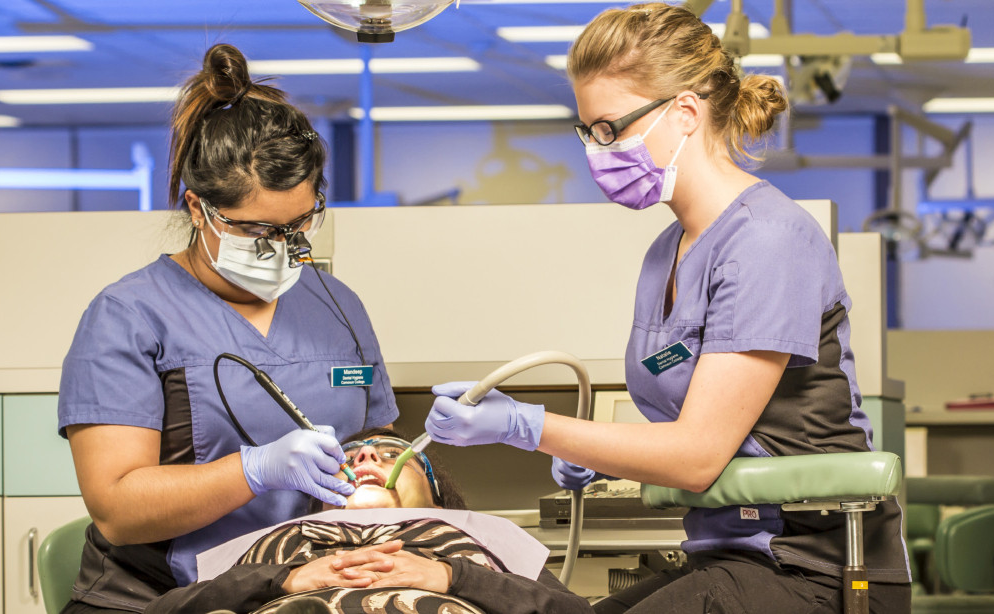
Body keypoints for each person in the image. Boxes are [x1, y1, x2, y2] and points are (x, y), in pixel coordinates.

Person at [423, 4, 911, 613]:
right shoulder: (666, 252)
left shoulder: (768, 239)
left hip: (811, 566)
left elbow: (699, 454)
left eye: (609, 128)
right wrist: (594, 461)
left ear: (684, 113)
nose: (597, 149)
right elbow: (701, 428)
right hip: (732, 555)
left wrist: (530, 428)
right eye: (588, 132)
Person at [57, 43, 399, 614]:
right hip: (162, 598)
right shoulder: (129, 315)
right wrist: (255, 469)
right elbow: (118, 509)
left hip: (305, 587)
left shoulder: (336, 304)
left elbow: (377, 448)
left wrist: (395, 471)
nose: (285, 249)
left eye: (299, 225)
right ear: (199, 209)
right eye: (259, 231)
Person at [144, 428, 593, 614]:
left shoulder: (479, 535)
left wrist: (451, 576)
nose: (365, 455)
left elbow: (571, 612)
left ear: (437, 497)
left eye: (394, 453)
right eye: (348, 457)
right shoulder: (282, 541)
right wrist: (282, 580)